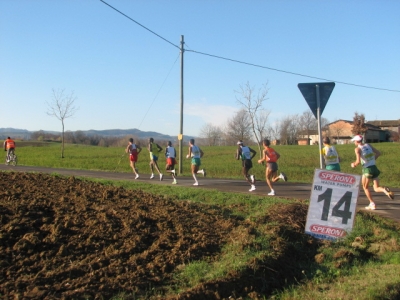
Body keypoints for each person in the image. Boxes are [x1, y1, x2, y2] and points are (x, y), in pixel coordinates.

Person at [350, 134, 394, 210]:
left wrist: (353, 165)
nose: (354, 142)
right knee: (376, 188)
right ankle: (385, 191)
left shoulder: (357, 149)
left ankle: (372, 203)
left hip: (367, 169)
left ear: (357, 141)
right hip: (374, 168)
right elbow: (378, 153)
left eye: (354, 141)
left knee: (365, 187)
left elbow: (358, 161)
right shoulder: (368, 145)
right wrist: (372, 160)